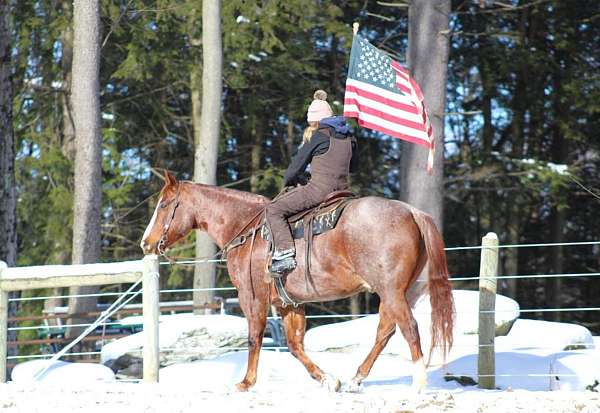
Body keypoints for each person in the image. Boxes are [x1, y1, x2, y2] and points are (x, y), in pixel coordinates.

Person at [266, 90, 358, 275]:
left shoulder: (319, 135)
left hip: (319, 191)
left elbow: (295, 166)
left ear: (315, 121)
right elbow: (354, 166)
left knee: (273, 210)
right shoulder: (350, 137)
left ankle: (285, 253)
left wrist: (290, 182)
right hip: (344, 192)